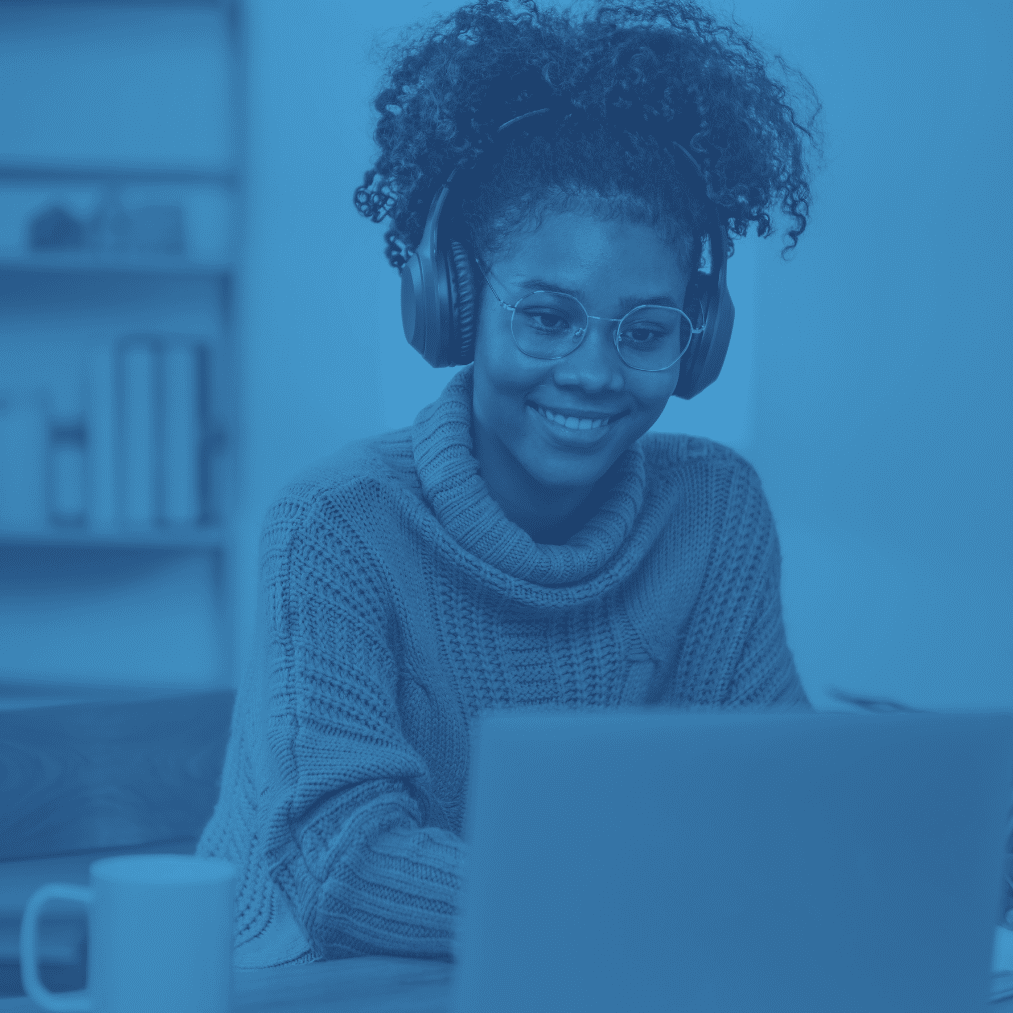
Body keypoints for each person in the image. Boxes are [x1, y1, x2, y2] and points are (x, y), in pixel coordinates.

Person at [198, 0, 824, 969]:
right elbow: (347, 869)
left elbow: (779, 803)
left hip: (591, 974)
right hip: (332, 987)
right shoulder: (335, 524)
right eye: (545, 316)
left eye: (646, 330)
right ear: (451, 302)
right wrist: (656, 896)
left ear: (696, 340)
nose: (594, 372)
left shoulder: (715, 511)